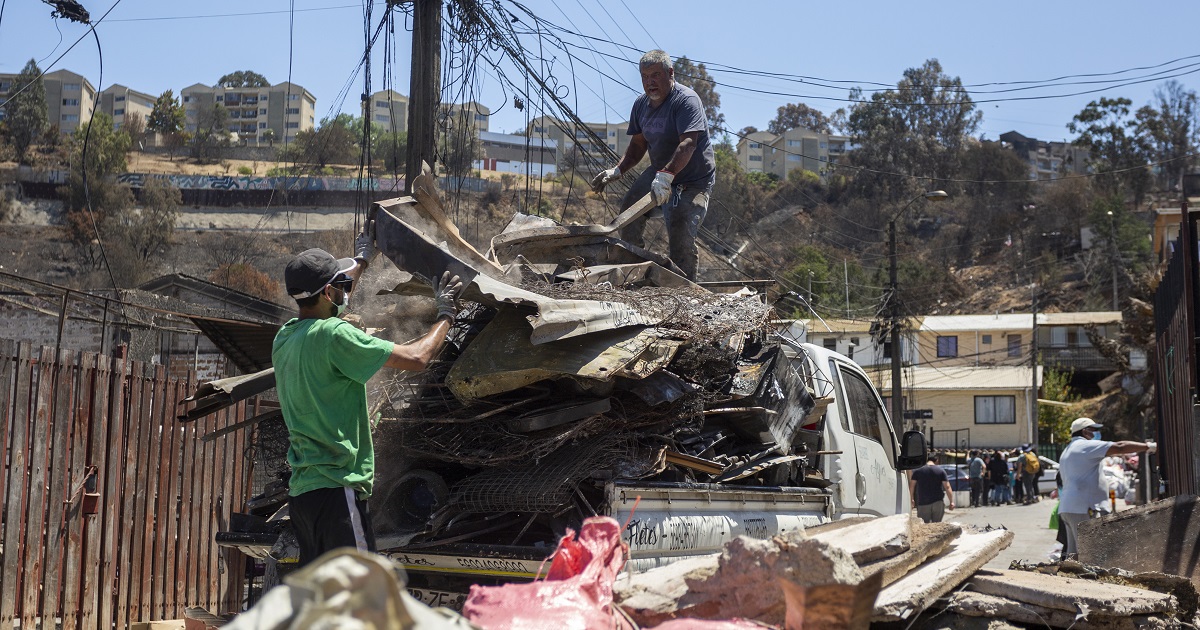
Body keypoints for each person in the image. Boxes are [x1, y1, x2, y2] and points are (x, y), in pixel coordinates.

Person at [273, 225, 464, 567]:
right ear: (329, 291)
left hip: (303, 497)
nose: (346, 290)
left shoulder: (286, 338)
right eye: (340, 285)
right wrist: (446, 314)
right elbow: (419, 357)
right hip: (338, 493)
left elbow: (331, 305)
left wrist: (363, 257)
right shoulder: (335, 335)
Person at [590, 49, 716, 281]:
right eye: (645, 77)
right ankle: (634, 274)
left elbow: (688, 144)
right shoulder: (641, 106)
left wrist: (667, 175)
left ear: (670, 73)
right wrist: (617, 170)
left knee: (680, 228)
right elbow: (638, 144)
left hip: (693, 180)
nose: (650, 82)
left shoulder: (686, 100)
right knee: (629, 214)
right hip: (659, 172)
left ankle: (684, 290)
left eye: (656, 75)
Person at [1058, 417, 1156, 558]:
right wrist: (1149, 447)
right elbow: (1120, 447)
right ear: (1085, 432)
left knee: (1074, 556)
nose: (1096, 434)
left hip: (1069, 507)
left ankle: (1070, 580)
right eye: (1094, 430)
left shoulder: (1068, 450)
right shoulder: (1084, 446)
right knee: (1089, 553)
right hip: (1083, 507)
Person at [910, 453, 955, 523]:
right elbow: (947, 486)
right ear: (936, 460)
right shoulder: (941, 471)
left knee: (924, 527)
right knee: (937, 525)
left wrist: (912, 499)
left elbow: (912, 486)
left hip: (923, 502)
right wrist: (951, 501)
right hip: (938, 502)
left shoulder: (918, 471)